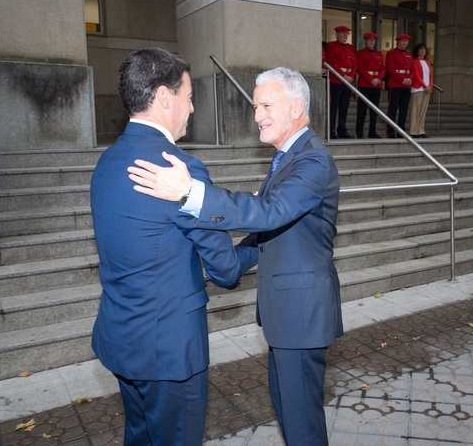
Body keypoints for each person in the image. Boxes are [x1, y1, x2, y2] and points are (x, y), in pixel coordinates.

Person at [127, 67, 344, 445]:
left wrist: (191, 194)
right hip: (288, 315)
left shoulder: (313, 161)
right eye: (254, 105)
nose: (257, 114)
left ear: (296, 108)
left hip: (301, 315)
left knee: (302, 421)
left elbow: (271, 212)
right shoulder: (285, 159)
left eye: (265, 105)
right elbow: (265, 236)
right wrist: (225, 266)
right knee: (292, 415)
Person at [89, 48, 245, 445]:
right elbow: (225, 271)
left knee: (140, 436)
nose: (191, 109)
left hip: (122, 340)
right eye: (189, 96)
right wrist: (260, 244)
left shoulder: (107, 160)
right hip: (170, 351)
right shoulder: (179, 168)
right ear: (164, 97)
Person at [325, 25, 356, 139]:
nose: (345, 36)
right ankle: (331, 131)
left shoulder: (350, 48)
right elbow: (332, 62)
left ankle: (342, 130)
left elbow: (354, 64)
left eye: (346, 34)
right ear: (337, 34)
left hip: (347, 81)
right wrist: (343, 76)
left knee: (344, 107)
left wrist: (351, 76)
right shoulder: (332, 46)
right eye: (342, 33)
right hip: (336, 80)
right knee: (334, 106)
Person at [355, 32, 385, 138]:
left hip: (376, 85)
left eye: (374, 40)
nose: (372, 42)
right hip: (365, 84)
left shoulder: (378, 54)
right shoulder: (360, 53)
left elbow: (382, 68)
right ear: (365, 41)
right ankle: (359, 132)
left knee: (374, 110)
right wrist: (371, 79)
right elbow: (360, 68)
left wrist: (379, 79)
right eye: (369, 40)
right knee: (362, 109)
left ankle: (372, 132)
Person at [385, 33, 414, 138]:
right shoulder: (392, 53)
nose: (404, 43)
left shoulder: (409, 54)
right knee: (392, 108)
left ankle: (401, 130)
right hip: (395, 84)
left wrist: (409, 79)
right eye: (402, 41)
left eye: (406, 41)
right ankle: (390, 131)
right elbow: (391, 70)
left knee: (404, 109)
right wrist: (403, 80)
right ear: (398, 41)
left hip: (407, 85)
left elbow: (412, 70)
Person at [409, 43, 433, 138]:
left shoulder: (427, 62)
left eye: (424, 49)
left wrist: (430, 86)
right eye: (421, 49)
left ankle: (421, 130)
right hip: (417, 88)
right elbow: (416, 76)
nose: (423, 51)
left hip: (427, 90)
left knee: (423, 111)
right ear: (417, 51)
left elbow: (431, 76)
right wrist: (424, 85)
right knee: (415, 110)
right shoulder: (414, 61)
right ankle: (414, 131)